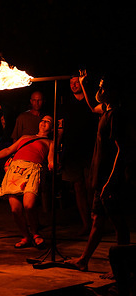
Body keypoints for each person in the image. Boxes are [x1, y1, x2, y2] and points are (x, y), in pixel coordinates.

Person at [65, 71, 129, 276]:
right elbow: (92, 107)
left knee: (119, 223)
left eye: (102, 87)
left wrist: (110, 181)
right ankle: (83, 260)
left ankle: (122, 269)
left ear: (112, 91)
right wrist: (84, 84)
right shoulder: (106, 110)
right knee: (97, 220)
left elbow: (123, 151)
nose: (99, 91)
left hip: (110, 179)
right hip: (102, 178)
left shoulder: (116, 114)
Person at [0, 115, 54, 249]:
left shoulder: (50, 142)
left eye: (48, 122)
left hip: (32, 169)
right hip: (15, 169)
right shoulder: (25, 137)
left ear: (51, 128)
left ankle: (35, 234)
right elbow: (9, 150)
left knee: (29, 205)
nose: (44, 123)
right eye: (42, 120)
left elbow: (51, 159)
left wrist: (52, 164)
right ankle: (26, 236)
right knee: (15, 209)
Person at [59, 74, 98, 235]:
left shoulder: (91, 101)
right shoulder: (66, 103)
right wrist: (58, 150)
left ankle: (96, 223)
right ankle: (85, 224)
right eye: (71, 83)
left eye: (76, 82)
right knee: (78, 187)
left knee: (91, 187)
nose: (74, 85)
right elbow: (61, 127)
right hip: (72, 150)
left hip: (90, 149)